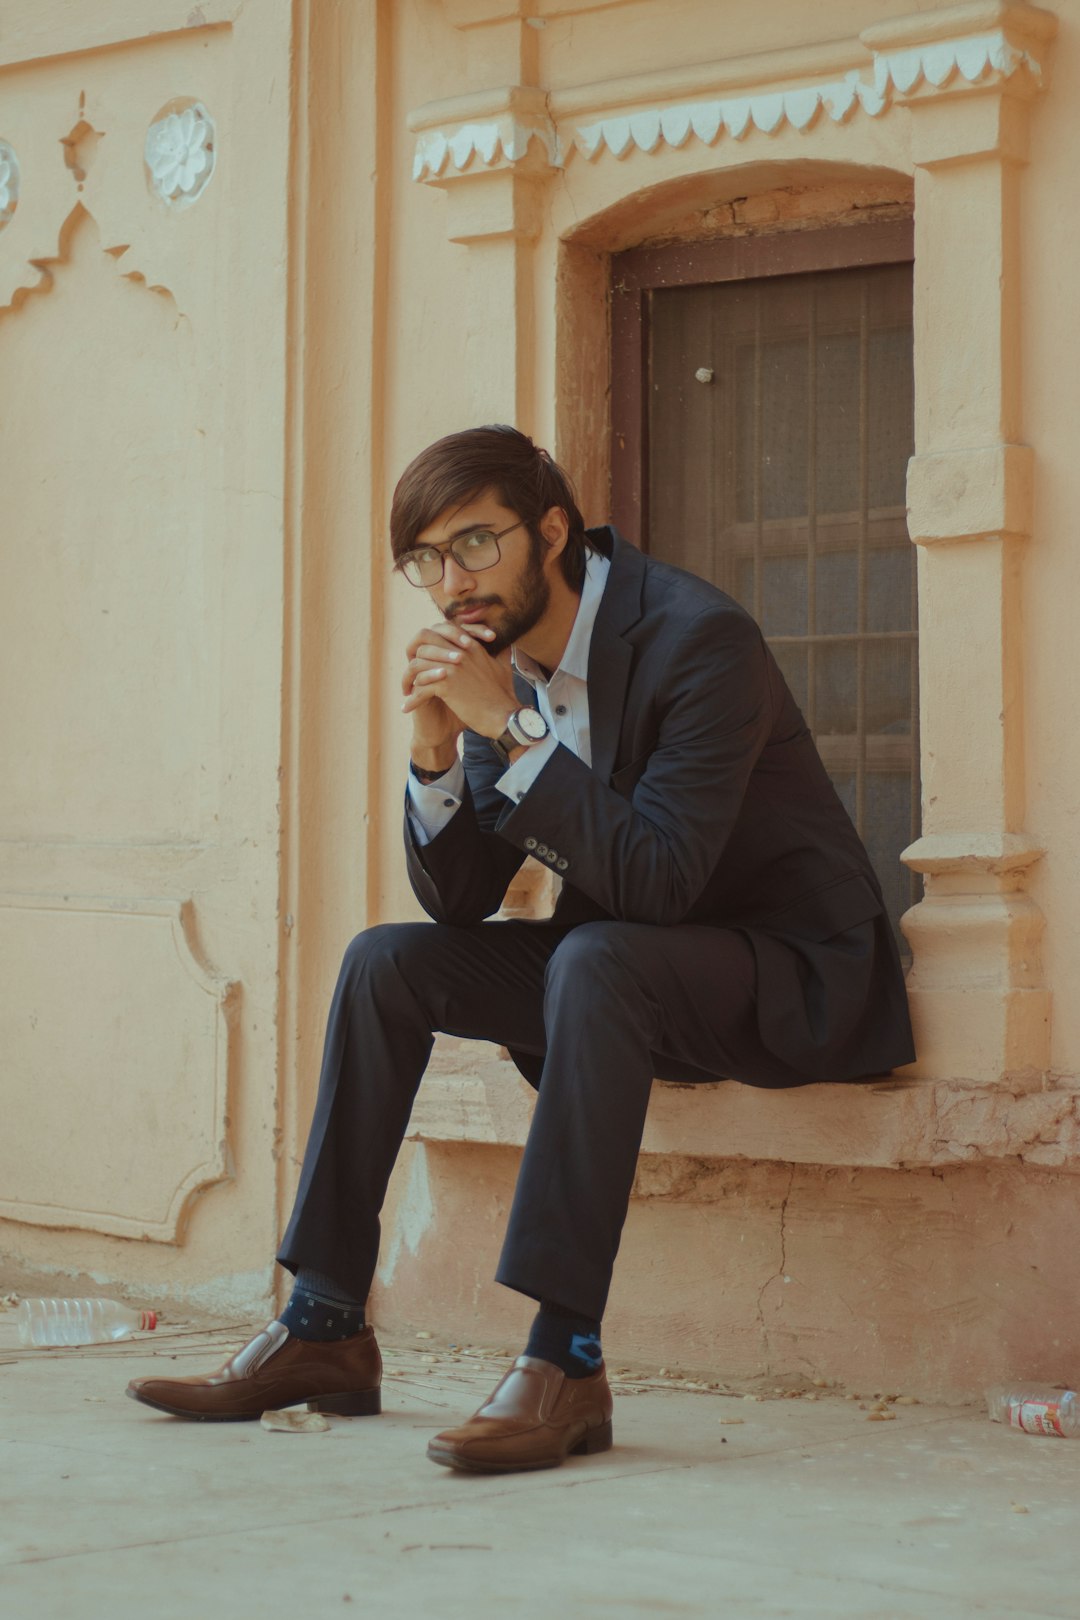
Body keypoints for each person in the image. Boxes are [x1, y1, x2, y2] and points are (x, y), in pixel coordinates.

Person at [127, 425, 915, 1472]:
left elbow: (663, 880)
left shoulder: (695, 640)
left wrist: (516, 732)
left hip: (789, 971)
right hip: (634, 977)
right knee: (384, 962)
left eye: (474, 546)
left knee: (595, 959)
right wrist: (436, 750)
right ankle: (324, 1325)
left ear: (551, 530)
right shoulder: (510, 674)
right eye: (426, 561)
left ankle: (565, 1358)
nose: (452, 583)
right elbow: (457, 901)